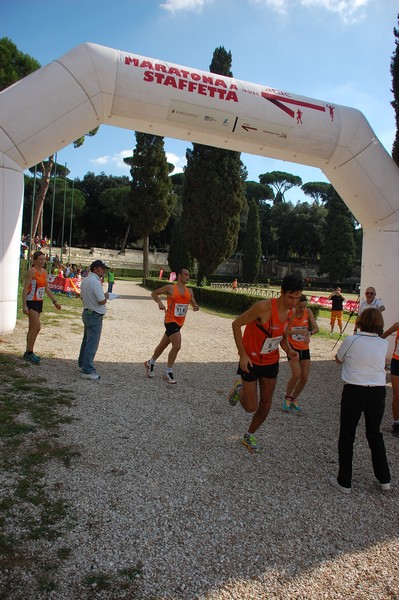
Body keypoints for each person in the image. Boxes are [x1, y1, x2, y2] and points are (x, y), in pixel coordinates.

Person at [228, 274, 304, 453]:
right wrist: (242, 354)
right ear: (282, 292)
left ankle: (249, 435)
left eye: (297, 298)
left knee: (267, 404)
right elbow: (236, 324)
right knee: (250, 407)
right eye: (290, 297)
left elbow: (282, 339)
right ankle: (239, 389)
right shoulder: (263, 307)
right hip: (251, 360)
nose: (294, 302)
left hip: (271, 360)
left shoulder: (291, 313)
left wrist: (289, 350)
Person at [330, 308, 390, 494]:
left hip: (354, 389)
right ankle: (384, 478)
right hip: (378, 390)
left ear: (360, 321)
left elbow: (339, 359)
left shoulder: (352, 340)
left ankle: (345, 481)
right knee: (374, 433)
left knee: (348, 434)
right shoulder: (382, 343)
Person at [144, 267, 199, 384]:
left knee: (163, 344)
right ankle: (168, 372)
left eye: (188, 275)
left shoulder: (190, 291)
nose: (188, 277)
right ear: (179, 276)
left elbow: (194, 304)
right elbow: (154, 293)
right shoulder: (170, 288)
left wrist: (195, 307)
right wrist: (160, 303)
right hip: (170, 320)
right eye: (186, 275)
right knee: (177, 345)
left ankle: (150, 363)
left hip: (180, 322)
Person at [22, 250, 61, 364]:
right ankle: (30, 352)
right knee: (37, 327)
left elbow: (47, 288)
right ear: (34, 260)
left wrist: (54, 301)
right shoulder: (31, 272)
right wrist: (24, 305)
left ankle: (27, 352)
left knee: (32, 328)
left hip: (39, 301)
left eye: (44, 259)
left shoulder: (44, 272)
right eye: (40, 259)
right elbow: (25, 288)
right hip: (31, 301)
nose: (42, 261)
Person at [283, 294, 319, 413]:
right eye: (300, 307)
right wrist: (297, 330)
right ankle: (287, 398)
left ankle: (294, 399)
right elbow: (284, 331)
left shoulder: (308, 312)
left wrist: (309, 332)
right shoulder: (290, 313)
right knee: (296, 374)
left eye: (304, 307)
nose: (302, 309)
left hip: (304, 348)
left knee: (304, 377)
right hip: (292, 348)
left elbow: (316, 328)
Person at [78, 260, 109, 381]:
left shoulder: (86, 280)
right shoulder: (95, 282)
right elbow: (101, 300)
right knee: (92, 343)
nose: (104, 271)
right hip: (95, 314)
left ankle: (82, 363)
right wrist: (106, 296)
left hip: (87, 311)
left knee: (86, 341)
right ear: (96, 269)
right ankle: (88, 369)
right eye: (102, 269)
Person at [381, 321, 399, 438]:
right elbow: (385, 335)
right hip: (397, 361)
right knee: (397, 395)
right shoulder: (398, 325)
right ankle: (396, 424)